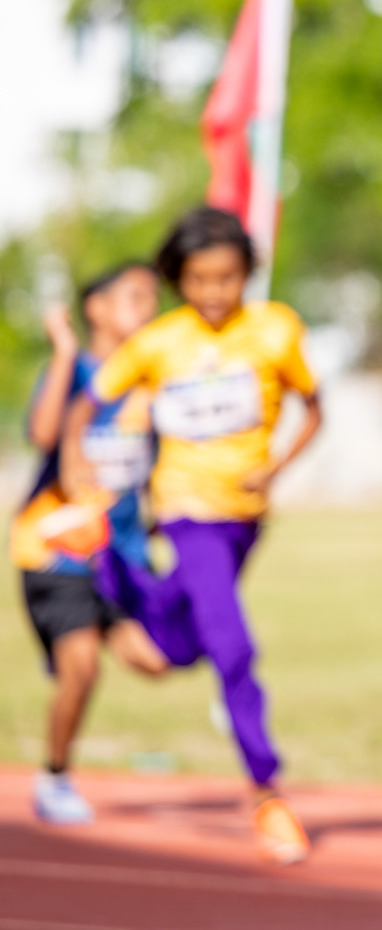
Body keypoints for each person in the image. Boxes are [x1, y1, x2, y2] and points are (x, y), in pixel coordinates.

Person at [61, 206, 324, 865]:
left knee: (178, 649)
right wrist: (77, 469)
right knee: (231, 648)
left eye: (227, 278)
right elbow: (87, 403)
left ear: (247, 274)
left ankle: (108, 575)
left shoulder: (275, 329)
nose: (213, 293)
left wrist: (278, 465)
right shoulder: (158, 342)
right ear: (179, 279)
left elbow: (314, 408)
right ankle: (268, 793)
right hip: (183, 512)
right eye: (198, 280)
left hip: (244, 519)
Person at [10, 264, 169, 825]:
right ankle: (55, 779)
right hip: (59, 548)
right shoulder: (75, 370)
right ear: (97, 308)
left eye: (153, 299)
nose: (147, 309)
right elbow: (44, 435)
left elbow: (156, 465)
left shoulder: (150, 381)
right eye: (134, 297)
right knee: (82, 667)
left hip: (122, 556)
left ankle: (66, 646)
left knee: (157, 661)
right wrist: (61, 352)